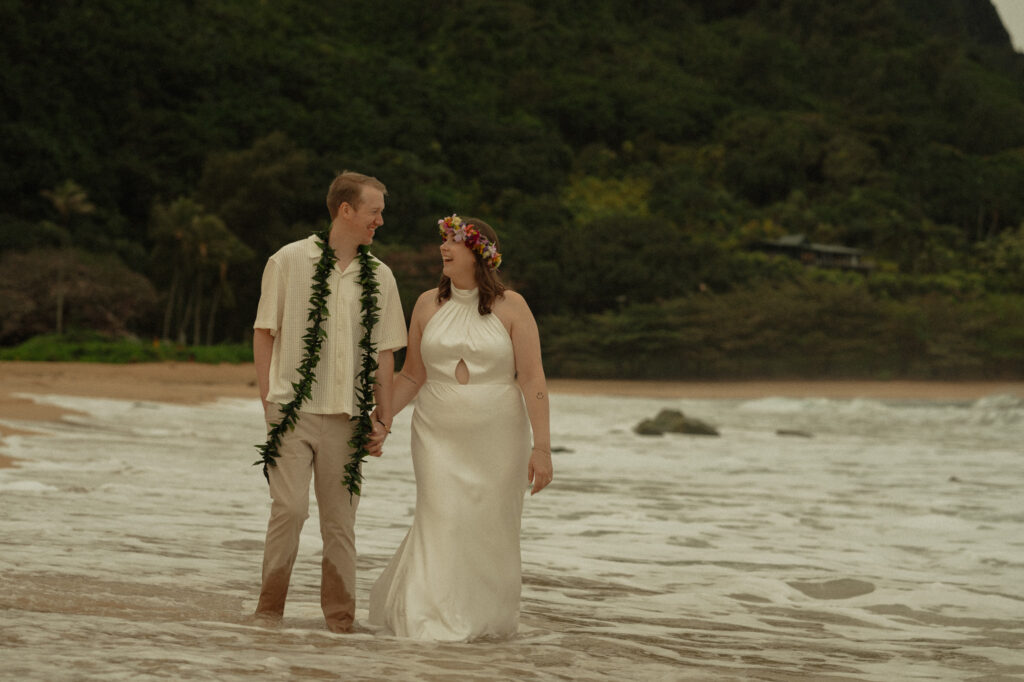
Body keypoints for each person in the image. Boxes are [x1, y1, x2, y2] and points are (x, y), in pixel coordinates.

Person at [369, 214, 553, 641]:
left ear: (479, 253)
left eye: (453, 241)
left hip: (499, 437)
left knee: (489, 529)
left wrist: (542, 448)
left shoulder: (513, 306)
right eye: (444, 240)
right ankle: (426, 623)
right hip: (436, 433)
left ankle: (484, 623)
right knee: (442, 519)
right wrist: (382, 420)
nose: (443, 248)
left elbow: (532, 378)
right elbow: (411, 375)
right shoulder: (426, 304)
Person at [251, 171, 407, 633]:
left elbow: (384, 352)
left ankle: (341, 626)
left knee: (340, 525)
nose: (380, 220)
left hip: (348, 418)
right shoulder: (287, 261)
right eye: (374, 211)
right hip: (292, 413)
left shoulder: (381, 276)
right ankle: (268, 615)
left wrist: (384, 417)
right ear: (346, 210)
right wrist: (268, 402)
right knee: (290, 509)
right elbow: (264, 331)